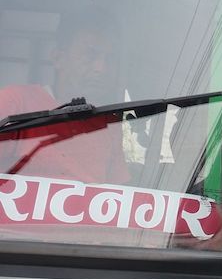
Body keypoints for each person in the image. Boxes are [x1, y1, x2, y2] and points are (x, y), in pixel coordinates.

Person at [0, 13, 128, 184]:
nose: (101, 68)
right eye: (90, 55)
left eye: (110, 59)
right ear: (58, 58)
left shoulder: (110, 123)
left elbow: (118, 194)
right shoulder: (16, 102)